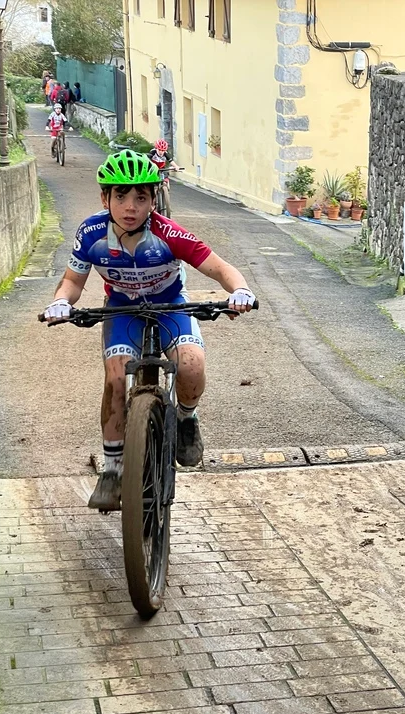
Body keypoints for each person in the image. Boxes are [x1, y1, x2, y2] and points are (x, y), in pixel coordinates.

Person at [41, 149, 256, 510]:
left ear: (153, 201)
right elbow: (72, 282)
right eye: (121, 196)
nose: (130, 207)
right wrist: (61, 302)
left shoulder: (168, 233)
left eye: (141, 197)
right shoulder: (91, 233)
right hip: (122, 309)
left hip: (171, 305)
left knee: (191, 364)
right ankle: (112, 469)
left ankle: (186, 418)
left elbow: (220, 268)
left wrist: (241, 291)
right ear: (105, 199)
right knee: (115, 379)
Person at [148, 139, 181, 215]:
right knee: (153, 185)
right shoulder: (152, 152)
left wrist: (176, 167)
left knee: (166, 180)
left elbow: (171, 161)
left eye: (163, 150)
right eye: (159, 150)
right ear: (156, 148)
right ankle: (153, 200)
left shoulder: (165, 154)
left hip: (162, 168)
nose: (161, 152)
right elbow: (147, 160)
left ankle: (165, 194)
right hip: (154, 168)